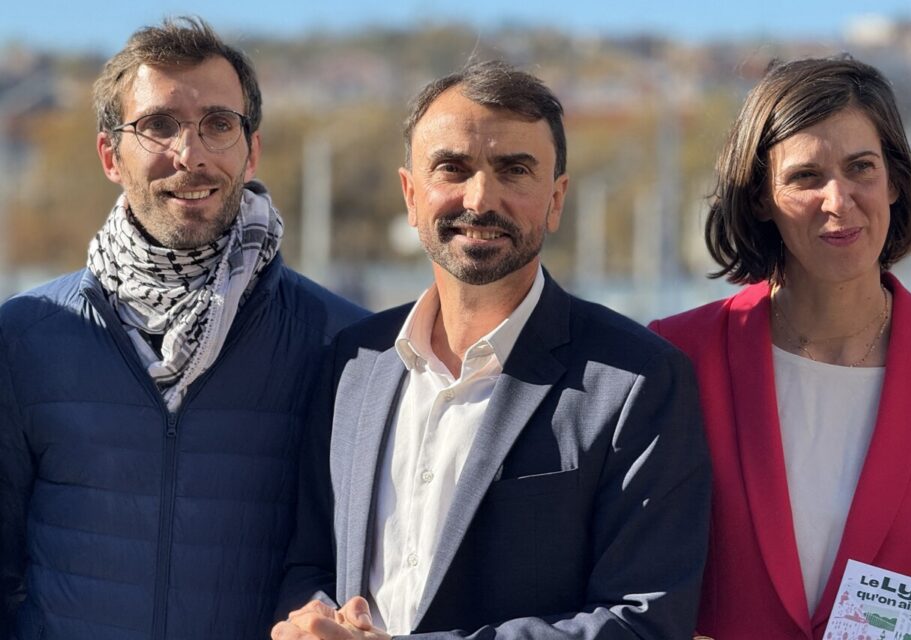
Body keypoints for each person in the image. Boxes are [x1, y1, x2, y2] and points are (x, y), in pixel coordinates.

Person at [271, 60, 711, 640]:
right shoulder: (353, 363)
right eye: (452, 168)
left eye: (515, 170)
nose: (480, 199)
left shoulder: (637, 381)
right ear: (410, 194)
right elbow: (309, 562)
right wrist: (314, 620)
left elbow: (642, 622)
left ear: (556, 199)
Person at [0, 16, 366, 640]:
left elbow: (348, 562)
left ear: (251, 150)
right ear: (110, 155)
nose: (190, 155)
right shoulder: (24, 337)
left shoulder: (345, 344)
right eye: (159, 125)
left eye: (218, 125)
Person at [650, 55, 911, 639]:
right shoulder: (676, 357)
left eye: (860, 168)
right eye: (805, 177)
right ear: (760, 197)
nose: (838, 200)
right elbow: (635, 584)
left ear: (895, 181)